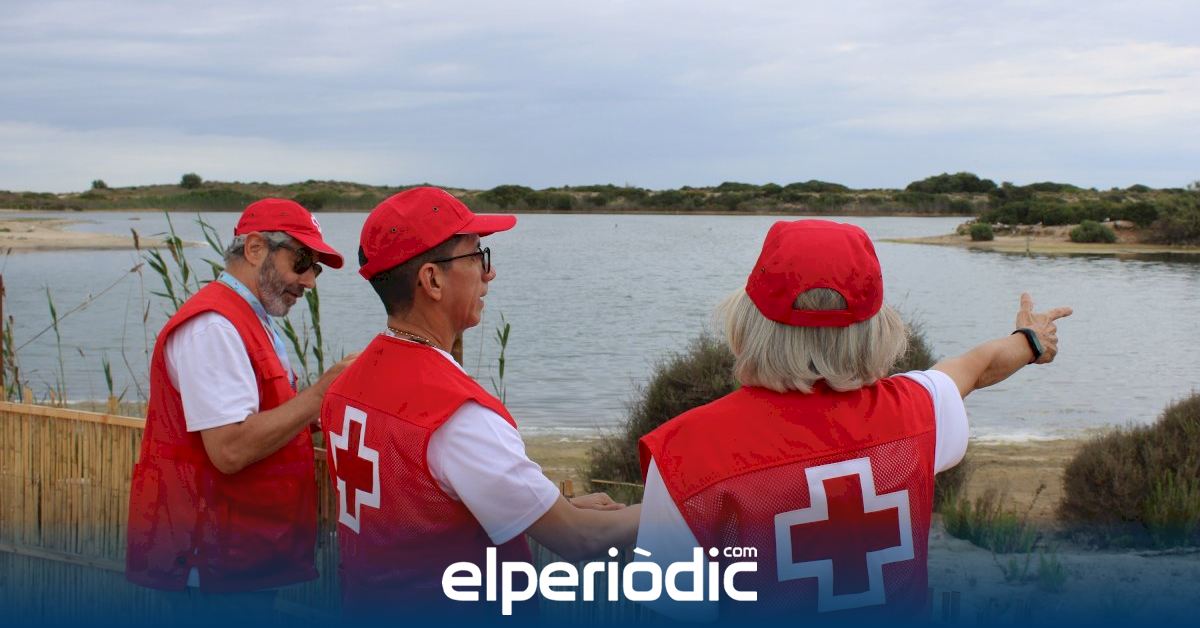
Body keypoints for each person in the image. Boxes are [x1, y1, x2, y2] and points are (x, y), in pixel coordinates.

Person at [635, 219, 1071, 621]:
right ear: (877, 329)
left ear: (749, 322)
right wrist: (1030, 341)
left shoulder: (686, 453)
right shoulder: (917, 411)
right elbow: (975, 368)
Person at [320, 186, 640, 617]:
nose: (489, 274)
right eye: (478, 257)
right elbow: (580, 538)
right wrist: (673, 510)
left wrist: (544, 507)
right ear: (432, 280)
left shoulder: (346, 385)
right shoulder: (455, 414)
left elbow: (417, 504)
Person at [126, 198, 356, 615]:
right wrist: (319, 395)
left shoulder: (248, 318)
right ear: (254, 248)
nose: (309, 281)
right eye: (302, 261)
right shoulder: (213, 326)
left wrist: (319, 415)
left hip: (239, 554)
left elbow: (257, 418)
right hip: (211, 562)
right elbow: (229, 449)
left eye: (316, 269)